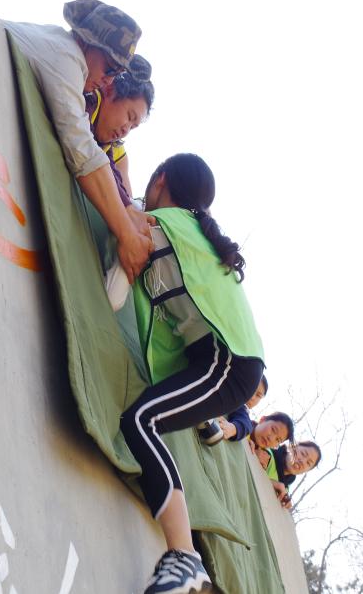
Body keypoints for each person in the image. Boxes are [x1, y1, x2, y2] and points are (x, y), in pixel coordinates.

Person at [118, 153, 265, 594]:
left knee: (141, 420)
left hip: (225, 360)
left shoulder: (164, 222)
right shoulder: (192, 231)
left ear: (160, 180)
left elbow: (126, 214)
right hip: (222, 359)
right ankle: (186, 563)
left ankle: (184, 557)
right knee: (144, 420)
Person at [5, 0, 154, 282]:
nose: (109, 81)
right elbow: (82, 151)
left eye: (117, 74)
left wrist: (128, 210)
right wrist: (127, 235)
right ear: (88, 42)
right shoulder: (67, 58)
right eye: (109, 69)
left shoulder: (61, 47)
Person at [87, 58, 154, 198]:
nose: (126, 131)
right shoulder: (90, 101)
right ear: (110, 90)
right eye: (130, 116)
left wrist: (129, 206)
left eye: (132, 127)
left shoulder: (108, 148)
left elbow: (121, 189)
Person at [271, 441, 322, 509]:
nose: (302, 462)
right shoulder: (266, 454)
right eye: (303, 453)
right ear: (292, 447)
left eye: (308, 463)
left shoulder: (285, 490)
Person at [216, 375, 268, 442]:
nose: (252, 397)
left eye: (258, 395)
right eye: (251, 388)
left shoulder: (242, 408)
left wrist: (233, 428)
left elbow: (245, 423)